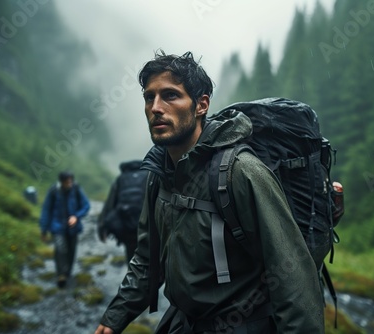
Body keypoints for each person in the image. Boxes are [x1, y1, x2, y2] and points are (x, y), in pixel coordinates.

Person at [95, 51, 325, 333]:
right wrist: (115, 317)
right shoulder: (160, 175)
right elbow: (147, 259)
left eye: (170, 95)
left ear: (201, 105)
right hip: (182, 323)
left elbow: (292, 275)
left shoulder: (240, 171)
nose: (156, 107)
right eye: (149, 97)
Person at [39, 171, 90, 288]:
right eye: (67, 182)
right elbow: (46, 210)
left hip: (73, 228)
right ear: (61, 182)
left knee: (71, 251)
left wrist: (76, 216)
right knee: (60, 249)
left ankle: (67, 273)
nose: (70, 184)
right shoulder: (53, 191)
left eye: (71, 181)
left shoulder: (76, 189)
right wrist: (44, 229)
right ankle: (61, 274)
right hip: (57, 227)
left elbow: (86, 205)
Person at [97, 160, 147, 262]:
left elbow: (110, 204)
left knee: (131, 256)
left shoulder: (121, 179)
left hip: (127, 226)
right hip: (146, 226)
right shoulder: (148, 175)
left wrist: (102, 227)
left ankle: (133, 275)